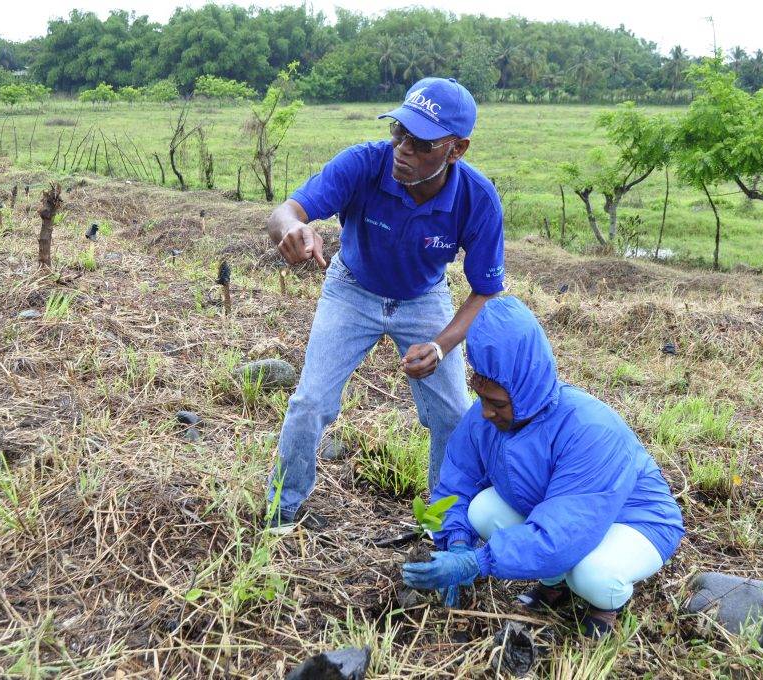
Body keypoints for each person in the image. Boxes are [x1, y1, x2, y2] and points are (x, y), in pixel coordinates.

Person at [264, 77, 506, 533]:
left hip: (423, 298)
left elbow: (485, 291)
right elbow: (284, 211)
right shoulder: (363, 164)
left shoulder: (478, 200)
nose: (403, 148)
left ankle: (443, 522)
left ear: (456, 150)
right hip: (351, 288)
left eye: (421, 142)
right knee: (310, 401)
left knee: (453, 414)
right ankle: (282, 509)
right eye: (399, 132)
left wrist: (439, 345)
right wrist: (292, 229)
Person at [402, 297, 685, 637]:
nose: (487, 413)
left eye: (498, 403)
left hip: (634, 519)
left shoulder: (589, 428)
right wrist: (458, 541)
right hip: (560, 514)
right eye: (483, 399)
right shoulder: (487, 417)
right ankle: (555, 585)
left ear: (525, 389)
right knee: (480, 510)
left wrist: (479, 562)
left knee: (592, 574)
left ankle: (606, 605)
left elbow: (565, 532)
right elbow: (455, 483)